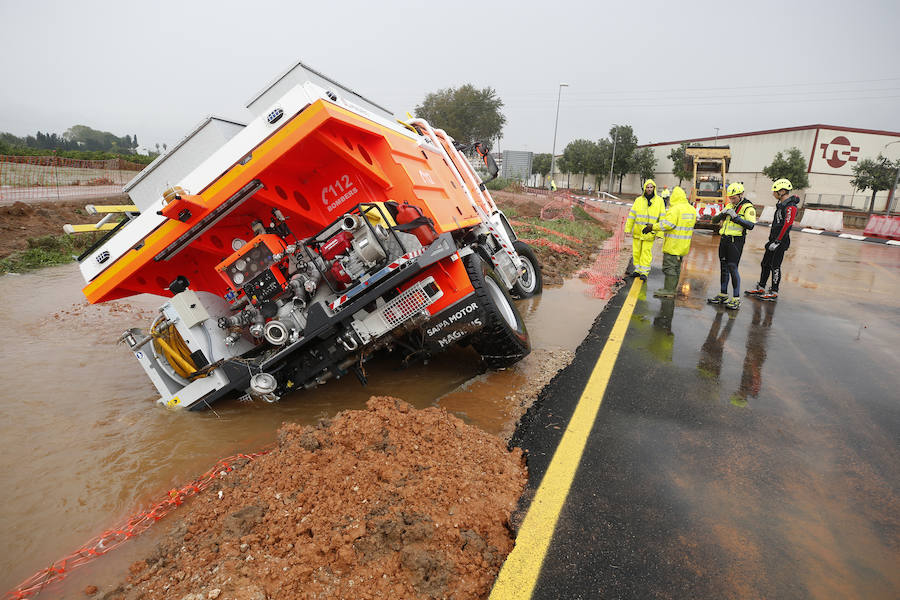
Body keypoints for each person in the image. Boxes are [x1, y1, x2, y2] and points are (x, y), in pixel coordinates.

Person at [747, 178, 799, 301]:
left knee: (775, 266)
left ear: (782, 191)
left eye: (775, 191)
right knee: (765, 264)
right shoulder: (781, 205)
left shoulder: (791, 206)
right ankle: (761, 287)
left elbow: (787, 225)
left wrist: (778, 241)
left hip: (781, 241)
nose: (773, 194)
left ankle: (774, 291)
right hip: (773, 239)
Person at [707, 182, 756, 309]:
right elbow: (714, 220)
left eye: (734, 198)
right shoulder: (729, 205)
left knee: (732, 267)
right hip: (724, 240)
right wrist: (722, 214)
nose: (732, 200)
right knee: (723, 267)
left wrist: (736, 218)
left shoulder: (747, 207)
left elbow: (751, 225)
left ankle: (736, 298)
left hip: (736, 241)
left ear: (741, 195)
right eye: (730, 198)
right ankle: (723, 294)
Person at [642, 186, 696, 298]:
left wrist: (652, 227)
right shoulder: (691, 209)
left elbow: (667, 224)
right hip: (683, 246)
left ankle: (668, 290)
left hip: (673, 245)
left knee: (669, 267)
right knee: (676, 268)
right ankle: (671, 288)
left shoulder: (675, 209)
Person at [625, 179, 665, 280]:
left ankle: (644, 272)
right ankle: (637, 270)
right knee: (636, 252)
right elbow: (632, 216)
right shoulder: (638, 200)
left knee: (646, 252)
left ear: (654, 188)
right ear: (644, 188)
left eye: (651, 187)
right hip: (638, 232)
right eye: (647, 187)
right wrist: (628, 229)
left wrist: (660, 233)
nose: (649, 189)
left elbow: (662, 218)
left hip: (650, 233)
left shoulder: (659, 201)